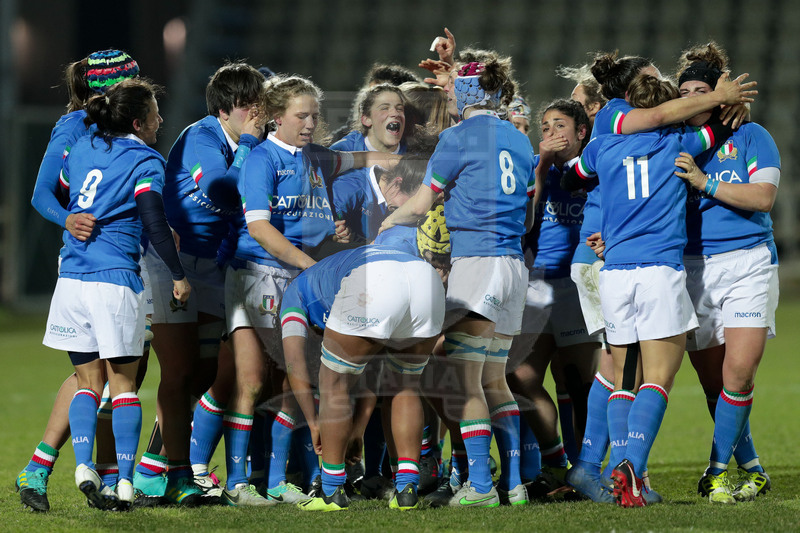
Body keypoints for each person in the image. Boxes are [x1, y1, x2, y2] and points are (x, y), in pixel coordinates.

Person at [561, 50, 757, 505]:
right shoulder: (678, 143)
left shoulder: (603, 145)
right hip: (659, 272)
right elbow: (717, 129)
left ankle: (620, 471)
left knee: (623, 377)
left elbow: (574, 176)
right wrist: (729, 101)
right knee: (657, 379)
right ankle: (631, 469)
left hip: (615, 273)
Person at [219, 74, 399, 506]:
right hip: (259, 273)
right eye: (301, 116)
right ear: (275, 118)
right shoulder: (262, 160)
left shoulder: (316, 157)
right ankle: (237, 483)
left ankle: (278, 482)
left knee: (296, 380)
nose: (310, 124)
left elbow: (356, 157)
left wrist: (393, 160)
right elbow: (259, 228)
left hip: (302, 279)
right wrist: (311, 266)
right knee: (251, 380)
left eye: (315, 116)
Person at [380, 58, 535, 508]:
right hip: (513, 265)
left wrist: (388, 223)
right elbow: (527, 215)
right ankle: (515, 486)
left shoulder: (457, 137)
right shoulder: (519, 139)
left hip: (477, 263)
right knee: (494, 380)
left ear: (466, 95)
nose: (447, 95)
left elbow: (421, 204)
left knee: (465, 383)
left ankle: (481, 486)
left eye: (453, 90)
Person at [42, 78, 190, 510]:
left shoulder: (83, 148)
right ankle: (125, 482)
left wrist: (75, 218)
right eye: (155, 114)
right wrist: (178, 275)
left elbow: (64, 193)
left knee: (88, 382)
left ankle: (84, 465)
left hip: (71, 279)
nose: (160, 120)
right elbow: (153, 220)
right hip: (113, 281)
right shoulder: (146, 159)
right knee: (124, 386)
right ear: (138, 123)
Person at [136, 62, 266, 506]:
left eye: (260, 106)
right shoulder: (203, 136)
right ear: (226, 109)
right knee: (179, 370)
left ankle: (159, 466)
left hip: (215, 264)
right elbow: (221, 191)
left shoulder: (247, 136)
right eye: (249, 106)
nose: (257, 115)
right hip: (173, 263)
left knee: (209, 372)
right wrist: (249, 145)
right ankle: (158, 474)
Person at [17, 49, 141, 512]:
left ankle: (100, 473)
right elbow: (41, 193)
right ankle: (45, 467)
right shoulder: (73, 126)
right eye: (131, 81)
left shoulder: (130, 123)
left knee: (121, 371)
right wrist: (68, 219)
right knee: (102, 374)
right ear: (112, 87)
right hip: (90, 264)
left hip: (127, 261)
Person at [672, 42, 778, 504]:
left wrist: (704, 182)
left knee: (739, 372)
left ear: (720, 94)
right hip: (692, 267)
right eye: (685, 92)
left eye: (702, 90)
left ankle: (715, 471)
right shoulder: (673, 140)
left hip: (749, 261)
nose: (694, 99)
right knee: (713, 384)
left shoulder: (752, 135)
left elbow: (762, 198)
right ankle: (752, 468)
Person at [280, 239, 446, 512]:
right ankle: (406, 490)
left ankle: (331, 492)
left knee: (332, 382)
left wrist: (314, 423)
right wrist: (357, 428)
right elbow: (372, 373)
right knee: (404, 385)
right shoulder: (332, 273)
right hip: (425, 279)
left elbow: (294, 363)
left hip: (375, 278)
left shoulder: (293, 292)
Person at [508, 99, 602, 498]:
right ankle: (555, 458)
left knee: (579, 384)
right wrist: (542, 166)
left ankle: (585, 469)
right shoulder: (533, 166)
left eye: (559, 125)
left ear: (581, 132)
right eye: (544, 126)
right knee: (519, 374)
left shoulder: (595, 168)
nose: (549, 133)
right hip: (536, 282)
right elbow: (523, 219)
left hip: (577, 283)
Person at [331, 84, 408, 243]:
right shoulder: (344, 149)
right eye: (384, 108)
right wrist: (334, 227)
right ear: (366, 119)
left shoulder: (414, 155)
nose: (395, 113)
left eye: (399, 109)